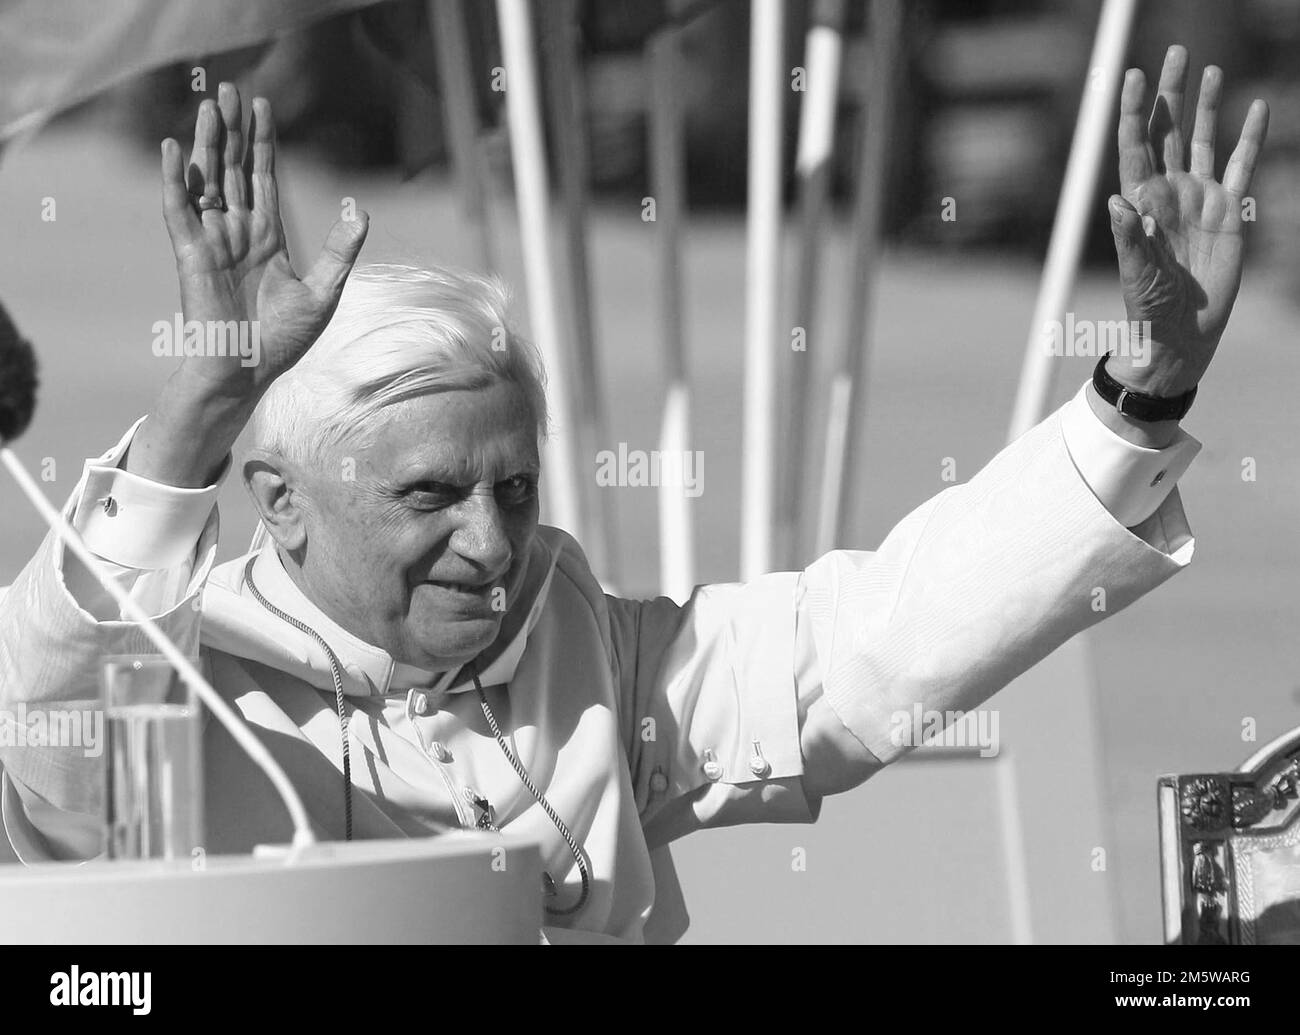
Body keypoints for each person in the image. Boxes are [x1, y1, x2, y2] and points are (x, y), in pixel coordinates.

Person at [0, 47, 1270, 943]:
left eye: (515, 484)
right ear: (277, 503)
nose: (491, 543)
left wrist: (1140, 397)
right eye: (430, 493)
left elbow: (880, 642)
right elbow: (34, 721)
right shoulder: (162, 684)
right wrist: (205, 409)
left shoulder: (591, 651)